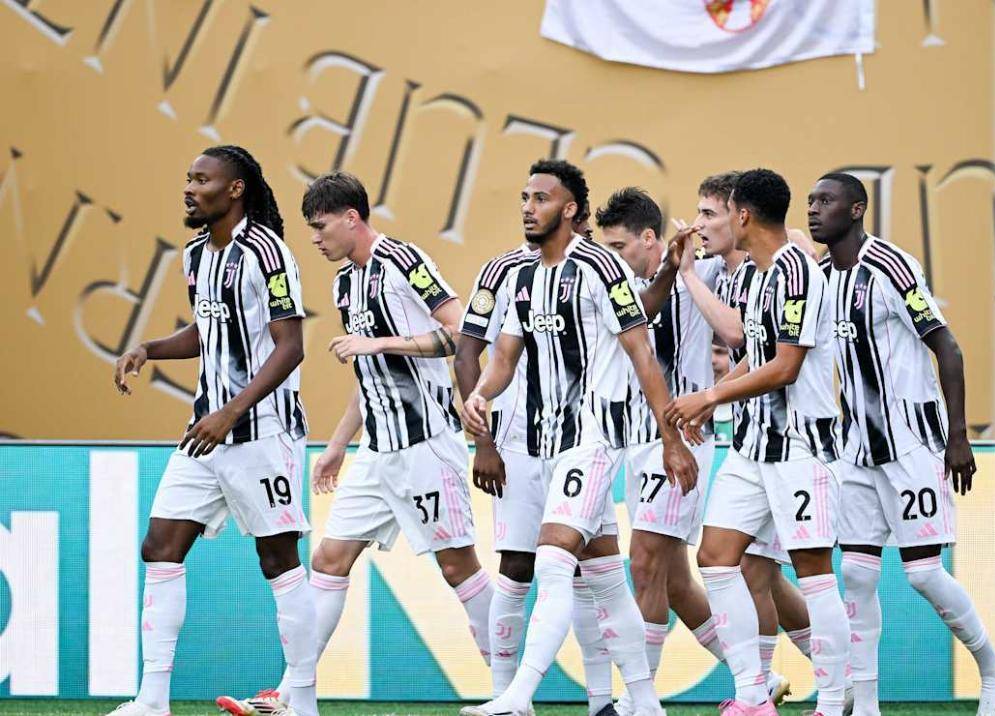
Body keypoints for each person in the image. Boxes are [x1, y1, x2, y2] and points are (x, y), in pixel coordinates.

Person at [217, 171, 493, 715]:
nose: (315, 239)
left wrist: (379, 342)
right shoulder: (345, 283)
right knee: (329, 558)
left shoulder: (404, 261)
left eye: (321, 227)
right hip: (376, 452)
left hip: (425, 444)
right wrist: (339, 444)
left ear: (352, 218)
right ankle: (289, 694)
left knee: (458, 566)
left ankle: (513, 684)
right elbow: (369, 377)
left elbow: (461, 333)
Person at [459, 159, 698, 716]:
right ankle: (645, 702)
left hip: (591, 440)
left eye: (540, 198)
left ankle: (517, 697)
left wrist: (670, 439)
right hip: (534, 441)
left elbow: (642, 354)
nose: (527, 207)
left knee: (551, 563)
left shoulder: (599, 267)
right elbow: (504, 357)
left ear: (569, 209)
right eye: (525, 197)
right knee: (606, 580)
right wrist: (481, 396)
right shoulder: (521, 275)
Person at [110, 146, 317, 716]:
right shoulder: (196, 254)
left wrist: (232, 412)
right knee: (160, 546)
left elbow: (291, 347)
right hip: (205, 431)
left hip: (263, 432)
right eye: (188, 178)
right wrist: (149, 348)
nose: (189, 188)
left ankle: (303, 701)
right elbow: (209, 330)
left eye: (202, 179)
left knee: (278, 559)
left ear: (235, 189)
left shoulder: (268, 253)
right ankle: (152, 699)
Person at [808, 172, 995, 716]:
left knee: (922, 571)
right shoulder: (821, 277)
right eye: (811, 201)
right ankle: (866, 705)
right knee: (856, 573)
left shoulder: (891, 267)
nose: (814, 209)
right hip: (856, 448)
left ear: (856, 209)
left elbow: (947, 347)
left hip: (912, 443)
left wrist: (957, 436)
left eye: (826, 201)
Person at [668, 169, 850, 716]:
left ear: (743, 215)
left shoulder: (796, 271)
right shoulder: (756, 275)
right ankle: (753, 694)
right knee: (716, 559)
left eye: (722, 211)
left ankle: (835, 700)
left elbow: (786, 366)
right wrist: (714, 398)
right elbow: (756, 354)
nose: (715, 222)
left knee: (814, 574)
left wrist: (709, 396)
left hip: (801, 448)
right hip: (752, 448)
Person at [594, 187, 724, 713]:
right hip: (636, 442)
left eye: (620, 247)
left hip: (681, 441)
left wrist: (698, 244)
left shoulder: (704, 273)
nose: (612, 258)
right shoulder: (616, 288)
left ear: (650, 238)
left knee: (644, 562)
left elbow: (787, 246)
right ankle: (757, 676)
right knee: (673, 582)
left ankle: (637, 699)